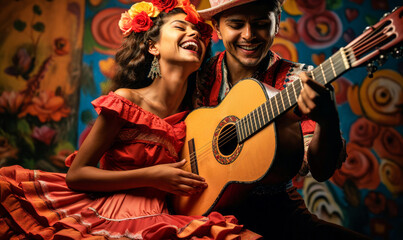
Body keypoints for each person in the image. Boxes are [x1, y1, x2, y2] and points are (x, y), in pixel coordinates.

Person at [0, 1, 262, 239]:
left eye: (198, 32)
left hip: (167, 215)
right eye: (180, 27)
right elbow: (77, 175)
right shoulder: (127, 101)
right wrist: (152, 176)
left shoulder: (197, 118)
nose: (194, 33)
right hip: (112, 212)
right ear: (153, 46)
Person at [193, 0, 371, 239]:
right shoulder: (199, 73)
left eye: (261, 23)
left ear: (277, 23)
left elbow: (321, 170)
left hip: (276, 213)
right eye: (236, 24)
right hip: (202, 209)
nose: (248, 35)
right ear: (217, 28)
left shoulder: (301, 80)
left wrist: (328, 120)